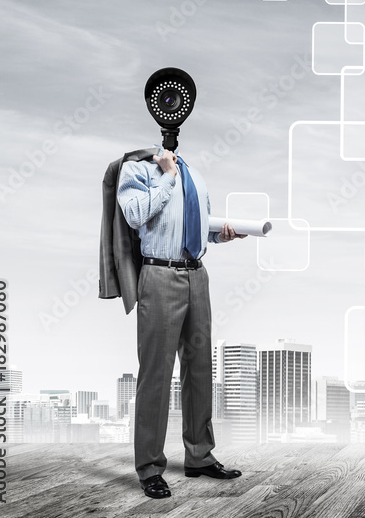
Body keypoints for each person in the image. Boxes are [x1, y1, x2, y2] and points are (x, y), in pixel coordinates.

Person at [116, 145, 244, 499]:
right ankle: (150, 468)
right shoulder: (138, 170)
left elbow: (197, 226)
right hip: (159, 275)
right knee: (156, 373)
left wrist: (222, 234)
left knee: (200, 370)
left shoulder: (196, 175)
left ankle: (199, 456)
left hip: (197, 276)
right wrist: (168, 175)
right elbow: (135, 214)